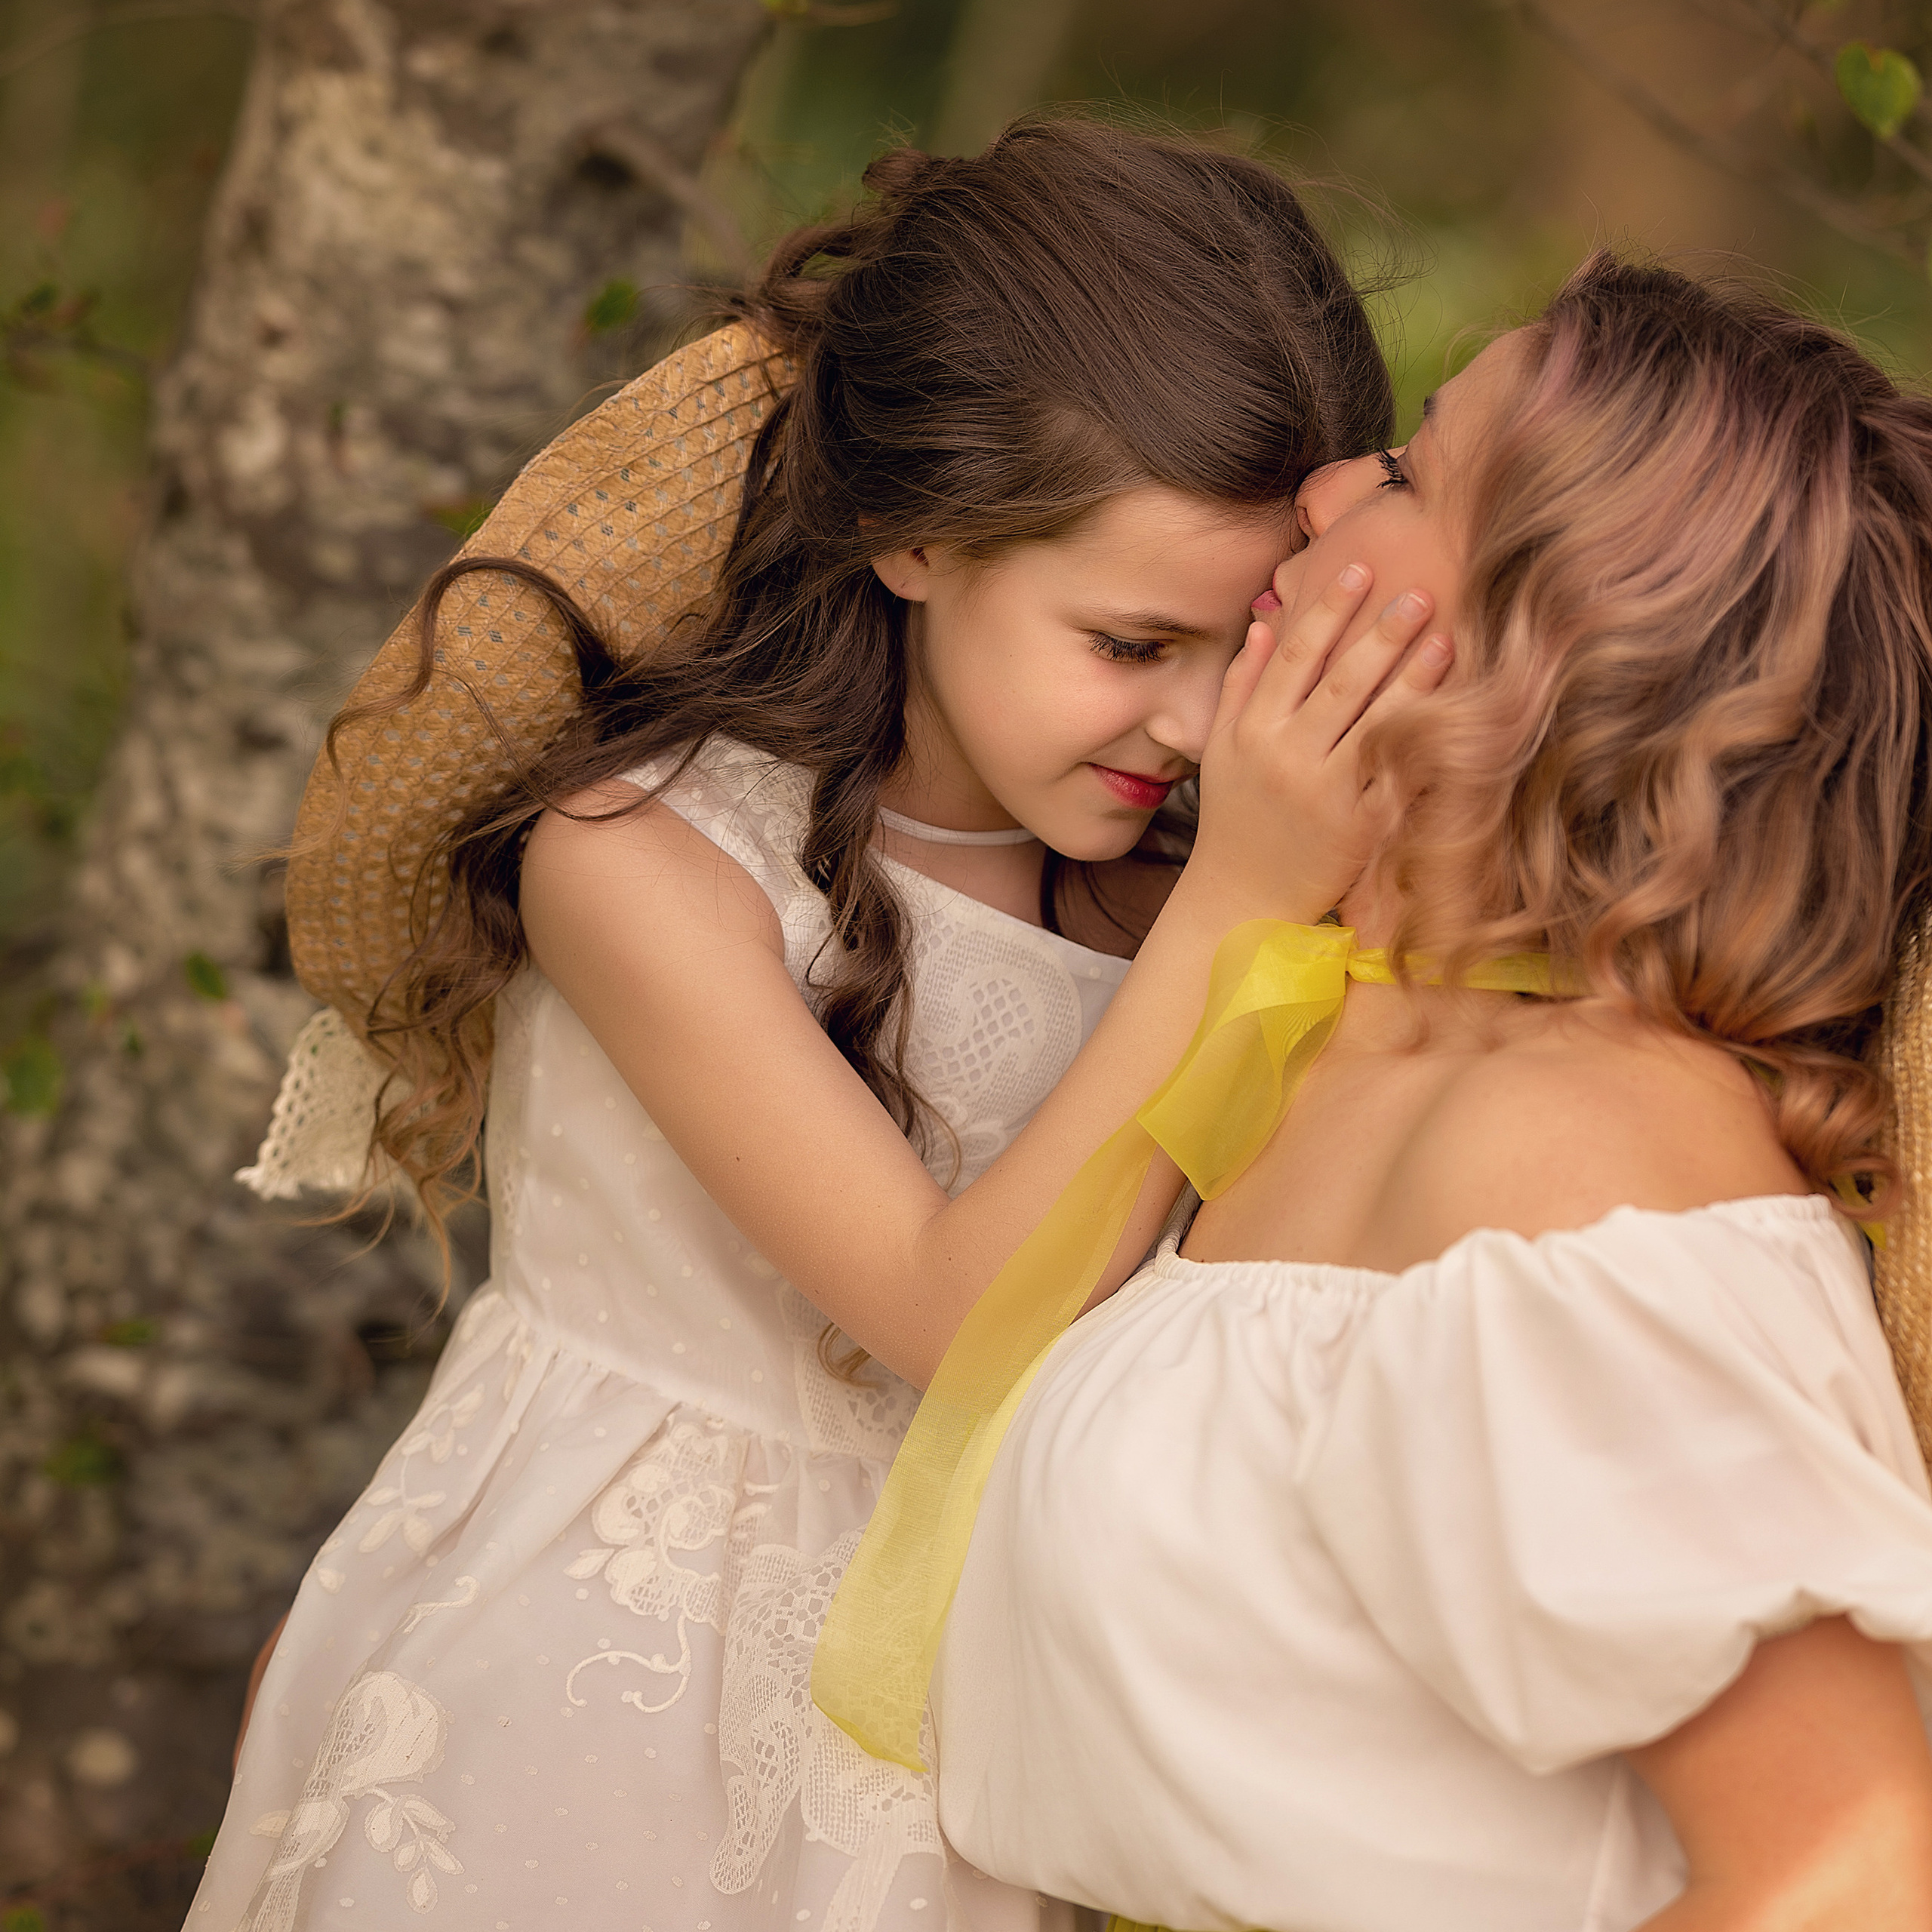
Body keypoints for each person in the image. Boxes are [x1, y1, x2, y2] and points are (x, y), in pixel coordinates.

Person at [189, 118, 1449, 1932]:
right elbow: (945, 1309)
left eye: (1240, 650)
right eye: (1127, 640)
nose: (1190, 725)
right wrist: (1248, 897)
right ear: (919, 536)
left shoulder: (1189, 874)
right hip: (589, 1697)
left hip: (979, 1736)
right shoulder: (640, 858)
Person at [928, 254, 1932, 1931]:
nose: (1319, 486)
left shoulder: (1573, 1158)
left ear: (1546, 642)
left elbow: (1857, 1864)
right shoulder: (1329, 1027)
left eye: (1405, 472)